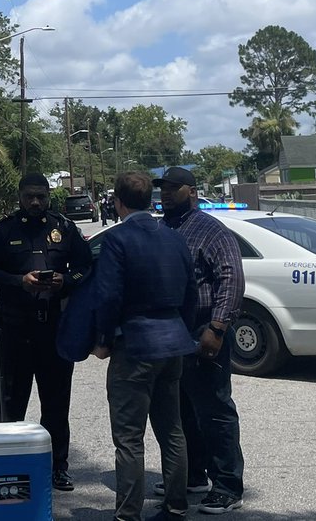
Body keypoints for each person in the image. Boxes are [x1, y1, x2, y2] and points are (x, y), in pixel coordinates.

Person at [90, 172, 198, 521]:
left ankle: (128, 514)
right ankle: (177, 505)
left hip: (134, 345)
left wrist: (104, 340)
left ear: (118, 202)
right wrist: (183, 329)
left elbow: (107, 297)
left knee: (129, 438)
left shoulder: (117, 240)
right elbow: (191, 294)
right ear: (150, 199)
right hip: (173, 342)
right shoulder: (174, 238)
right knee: (172, 430)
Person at [0, 171, 93, 491]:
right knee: (9, 404)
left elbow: (86, 267)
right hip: (14, 332)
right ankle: (6, 466)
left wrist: (65, 281)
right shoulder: (2, 231)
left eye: (41, 196)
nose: (35, 202)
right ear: (19, 196)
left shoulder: (65, 228)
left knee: (56, 406)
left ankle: (58, 467)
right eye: (29, 196)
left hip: (54, 330)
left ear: (48, 196)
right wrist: (19, 281)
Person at [154, 166, 246, 515]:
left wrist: (217, 328)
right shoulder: (163, 229)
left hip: (203, 332)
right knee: (180, 412)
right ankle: (193, 476)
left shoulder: (211, 231)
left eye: (172, 188)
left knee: (215, 412)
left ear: (191, 192)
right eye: (162, 188)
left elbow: (231, 279)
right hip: (172, 337)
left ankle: (227, 485)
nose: (164, 194)